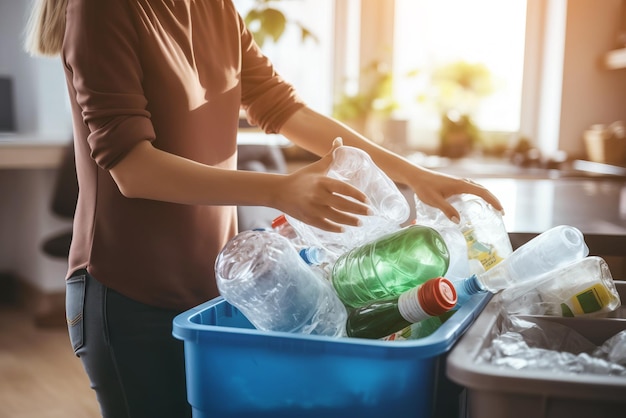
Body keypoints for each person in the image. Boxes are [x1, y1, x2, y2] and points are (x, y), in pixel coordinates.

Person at [25, 1, 504, 417]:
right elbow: (134, 170)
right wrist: (279, 191)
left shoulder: (215, 7)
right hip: (127, 294)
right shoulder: (104, 7)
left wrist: (415, 175)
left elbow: (283, 108)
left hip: (210, 293)